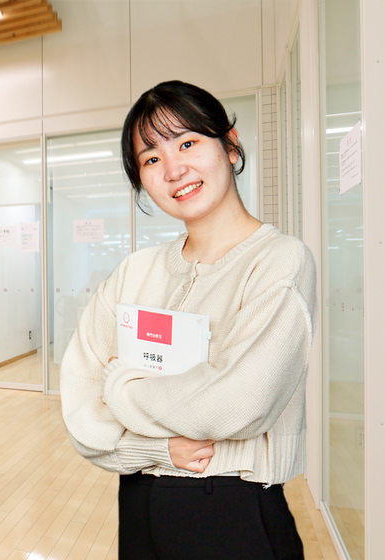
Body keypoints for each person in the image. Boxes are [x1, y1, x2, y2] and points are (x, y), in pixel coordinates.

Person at [60, 80, 317, 559]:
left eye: (187, 143)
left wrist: (120, 386)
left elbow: (239, 402)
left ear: (231, 145)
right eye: (151, 158)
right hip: (139, 502)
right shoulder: (134, 272)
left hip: (234, 509)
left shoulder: (280, 261)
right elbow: (80, 407)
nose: (174, 169)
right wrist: (157, 450)